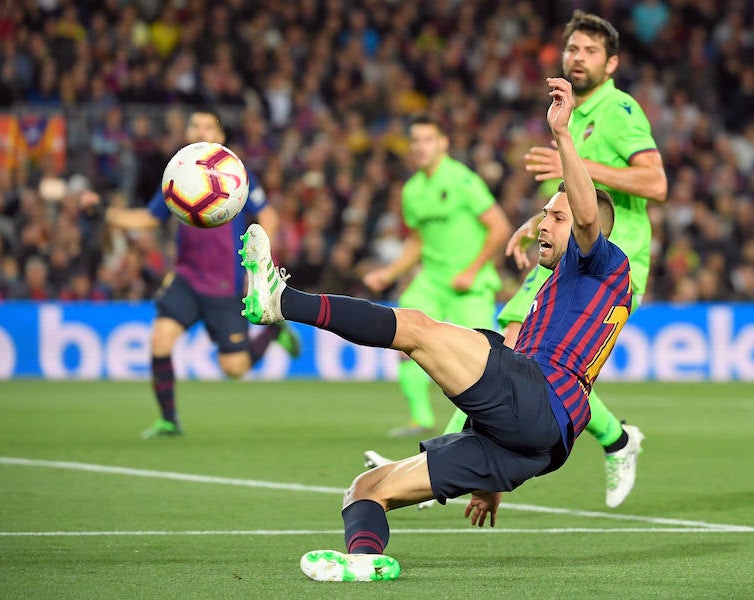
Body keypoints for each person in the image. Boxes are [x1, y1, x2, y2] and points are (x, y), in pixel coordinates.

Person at [240, 77, 632, 582]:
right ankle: (364, 561)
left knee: (419, 329)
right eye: (543, 215)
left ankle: (282, 300)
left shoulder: (601, 261)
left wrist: (563, 135)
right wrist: (491, 470)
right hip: (534, 437)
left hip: (543, 398)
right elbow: (503, 376)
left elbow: (584, 215)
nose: (542, 224)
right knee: (367, 487)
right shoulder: (556, 288)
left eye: (554, 217)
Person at [367, 10, 668, 509]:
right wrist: (541, 222)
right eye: (573, 48)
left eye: (591, 51)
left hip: (608, 260)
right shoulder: (573, 110)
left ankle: (435, 467)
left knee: (514, 353)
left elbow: (656, 184)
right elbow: (575, 194)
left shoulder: (619, 111)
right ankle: (615, 439)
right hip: (570, 252)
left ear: (611, 63)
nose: (578, 57)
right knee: (528, 363)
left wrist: (575, 162)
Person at [81, 109, 300, 438]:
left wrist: (260, 263)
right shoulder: (177, 174)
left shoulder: (235, 172)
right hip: (187, 277)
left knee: (235, 368)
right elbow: (149, 218)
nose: (200, 130)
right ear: (187, 133)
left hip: (226, 283)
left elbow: (267, 215)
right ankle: (169, 420)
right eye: (194, 125)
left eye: (208, 126)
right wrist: (104, 213)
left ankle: (274, 333)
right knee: (160, 339)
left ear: (220, 137)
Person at [362, 114, 511, 437]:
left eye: (428, 139)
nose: (420, 146)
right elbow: (417, 241)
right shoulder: (412, 190)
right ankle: (420, 419)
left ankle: (473, 425)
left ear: (443, 143)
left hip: (469, 283)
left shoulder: (462, 179)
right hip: (431, 280)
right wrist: (389, 273)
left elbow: (499, 227)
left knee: (479, 360)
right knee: (402, 335)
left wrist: (472, 270)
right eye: (415, 140)